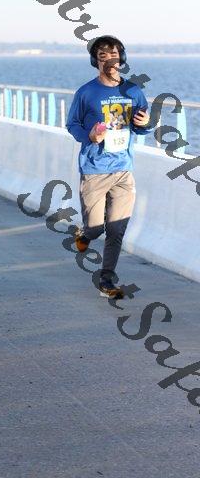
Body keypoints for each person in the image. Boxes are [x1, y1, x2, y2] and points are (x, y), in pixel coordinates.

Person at [66, 35, 150, 299]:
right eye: (103, 55)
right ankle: (85, 234)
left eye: (114, 54)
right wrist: (89, 136)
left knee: (116, 229)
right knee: (96, 229)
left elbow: (142, 126)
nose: (110, 60)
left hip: (123, 169)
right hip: (94, 169)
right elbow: (72, 124)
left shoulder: (133, 92)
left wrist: (145, 123)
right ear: (96, 61)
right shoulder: (86, 92)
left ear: (122, 58)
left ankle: (107, 279)